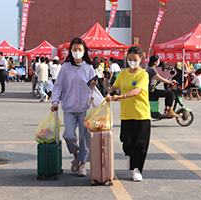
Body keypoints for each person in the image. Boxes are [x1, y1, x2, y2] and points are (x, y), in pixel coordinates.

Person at [51, 37, 97, 177]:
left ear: (84, 51)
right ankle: (77, 156)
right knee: (69, 136)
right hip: (69, 107)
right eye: (75, 49)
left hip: (85, 107)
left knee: (85, 137)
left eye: (80, 49)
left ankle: (82, 164)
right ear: (70, 51)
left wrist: (94, 88)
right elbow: (58, 85)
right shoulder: (65, 67)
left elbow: (94, 88)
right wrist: (55, 101)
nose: (77, 52)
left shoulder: (89, 68)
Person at [106, 46, 150, 182]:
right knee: (127, 142)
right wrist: (109, 92)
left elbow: (136, 91)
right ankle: (131, 157)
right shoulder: (123, 74)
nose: (132, 61)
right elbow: (114, 86)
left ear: (140, 59)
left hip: (141, 114)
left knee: (141, 143)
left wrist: (119, 97)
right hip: (126, 114)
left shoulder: (143, 74)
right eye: (129, 59)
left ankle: (137, 169)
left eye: (135, 59)